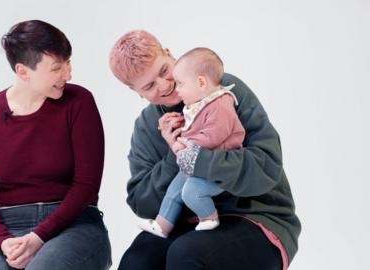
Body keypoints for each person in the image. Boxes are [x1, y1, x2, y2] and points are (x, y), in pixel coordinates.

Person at [109, 30, 300, 270]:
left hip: (257, 217)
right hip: (187, 225)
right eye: (149, 86)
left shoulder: (222, 90)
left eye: (164, 70)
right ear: (135, 91)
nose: (166, 86)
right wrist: (174, 152)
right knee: (136, 262)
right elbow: (142, 203)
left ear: (169, 54)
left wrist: (193, 155)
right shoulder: (147, 125)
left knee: (187, 254)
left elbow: (267, 166)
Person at [0, 20, 111, 270]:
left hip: (73, 223)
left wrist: (39, 237)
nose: (68, 74)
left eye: (68, 62)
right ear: (23, 72)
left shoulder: (79, 102)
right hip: (7, 227)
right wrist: (3, 241)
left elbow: (86, 185)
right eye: (57, 68)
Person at [138, 47, 245, 238]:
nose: (176, 89)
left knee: (191, 191)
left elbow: (215, 135)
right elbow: (196, 129)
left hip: (219, 168)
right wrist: (179, 130)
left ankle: (209, 218)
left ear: (201, 82)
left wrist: (186, 142)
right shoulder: (198, 104)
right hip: (197, 164)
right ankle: (162, 225)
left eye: (180, 84)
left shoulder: (220, 103)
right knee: (174, 189)